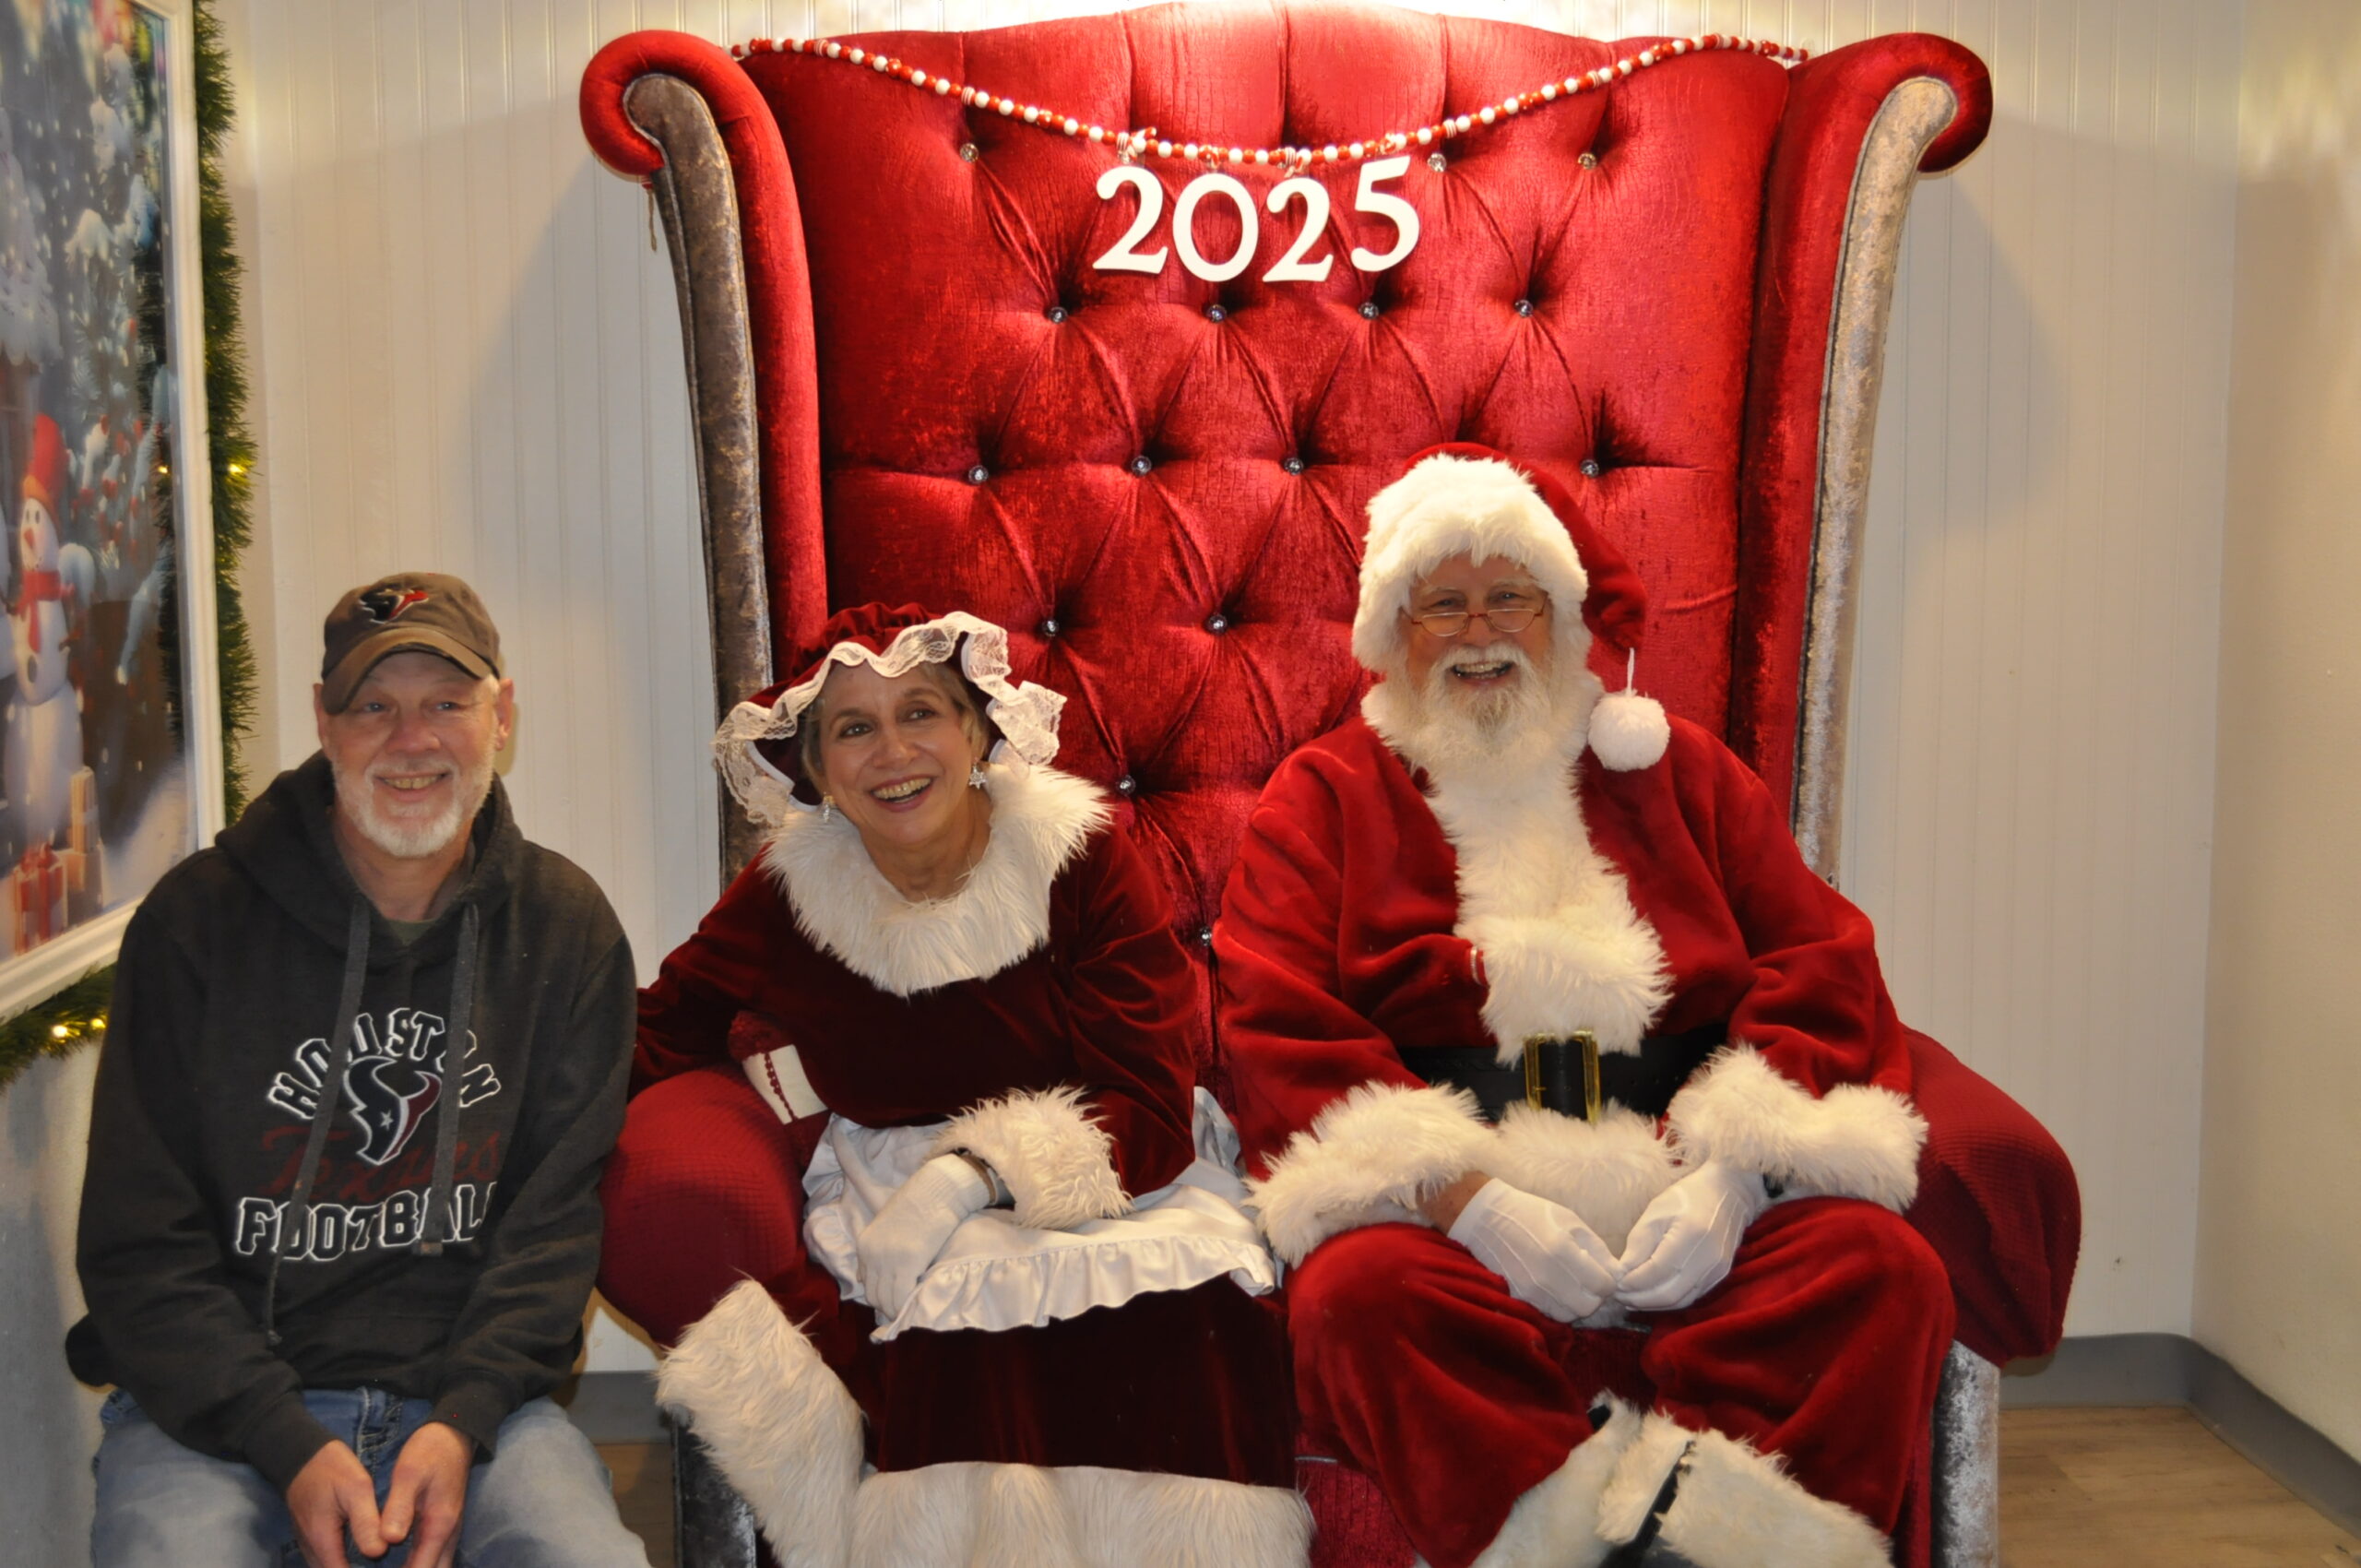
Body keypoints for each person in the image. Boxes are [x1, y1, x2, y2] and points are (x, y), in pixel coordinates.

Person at [1216, 447, 1955, 1568]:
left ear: (1560, 616)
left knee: (1879, 1266)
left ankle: (1711, 1540)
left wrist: (1736, 1175)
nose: (1479, 634)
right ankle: (1561, 1538)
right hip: (1456, 1194)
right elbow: (1277, 1019)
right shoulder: (1323, 794)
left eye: (1508, 597)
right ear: (1392, 631)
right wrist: (1466, 1202)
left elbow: (1819, 959)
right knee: (1356, 1295)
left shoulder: (1681, 769)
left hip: (1683, 1162)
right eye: (1443, 604)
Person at [601, 603, 1306, 1567]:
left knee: (1170, 1315)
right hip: (891, 1185)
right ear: (817, 769)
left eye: (921, 712)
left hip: (1111, 1171)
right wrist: (508, 1102)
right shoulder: (787, 891)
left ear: (978, 733)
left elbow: (1147, 1102)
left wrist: (965, 1180)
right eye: (854, 727)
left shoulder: (1078, 856)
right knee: (957, 1331)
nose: (893, 753)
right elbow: (658, 1030)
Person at [70, 572, 649, 1568]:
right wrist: (283, 1440)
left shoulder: (566, 929)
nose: (411, 740)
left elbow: (550, 1236)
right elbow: (140, 1244)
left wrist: (461, 1420)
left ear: (502, 714)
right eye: (373, 707)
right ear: (323, 723)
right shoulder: (195, 923)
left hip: (470, 1411)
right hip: (218, 1415)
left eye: (447, 703)